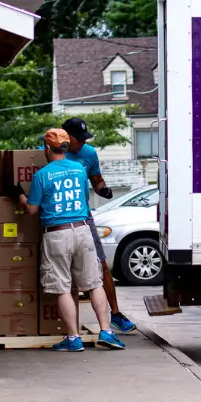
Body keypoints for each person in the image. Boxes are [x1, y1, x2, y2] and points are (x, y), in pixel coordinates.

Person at [17, 129, 125, 352]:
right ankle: (107, 332)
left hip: (57, 233)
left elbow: (31, 210)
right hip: (83, 229)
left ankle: (73, 338)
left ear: (47, 148)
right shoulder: (79, 170)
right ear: (66, 147)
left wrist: (19, 196)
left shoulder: (42, 175)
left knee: (62, 286)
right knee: (94, 283)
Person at [61, 117, 138, 334]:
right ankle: (63, 324)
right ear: (67, 138)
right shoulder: (51, 151)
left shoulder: (89, 153)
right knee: (63, 270)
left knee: (101, 265)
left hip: (84, 216)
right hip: (58, 219)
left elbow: (97, 181)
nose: (84, 143)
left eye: (86, 139)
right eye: (80, 139)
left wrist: (103, 189)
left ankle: (115, 315)